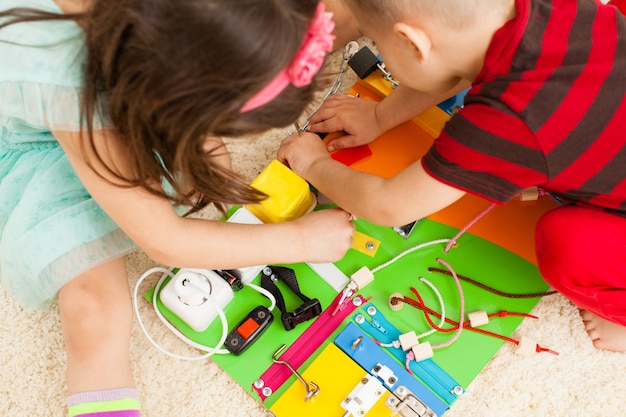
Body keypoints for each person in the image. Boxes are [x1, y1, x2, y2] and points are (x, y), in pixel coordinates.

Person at [0, 0, 356, 415]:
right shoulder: (60, 75)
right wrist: (298, 240)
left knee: (197, 173)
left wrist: (204, 144)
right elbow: (165, 241)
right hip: (32, 139)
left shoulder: (169, 30)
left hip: (120, 78)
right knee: (93, 313)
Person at [278, 0, 626, 352]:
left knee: (566, 246)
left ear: (413, 44)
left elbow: (389, 206)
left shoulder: (503, 122)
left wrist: (313, 164)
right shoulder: (560, 10)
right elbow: (453, 65)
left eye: (379, 43)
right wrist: (380, 117)